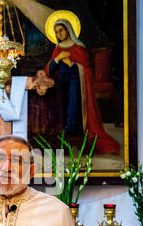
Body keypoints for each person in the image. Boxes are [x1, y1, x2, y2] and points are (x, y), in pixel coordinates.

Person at [45, 19, 120, 155]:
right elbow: (49, 69)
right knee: (60, 109)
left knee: (73, 110)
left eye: (61, 30)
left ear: (68, 30)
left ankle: (74, 137)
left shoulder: (79, 47)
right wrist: (58, 58)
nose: (59, 34)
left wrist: (71, 64)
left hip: (76, 85)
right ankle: (63, 139)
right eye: (56, 32)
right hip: (62, 85)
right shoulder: (58, 49)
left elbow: (86, 70)